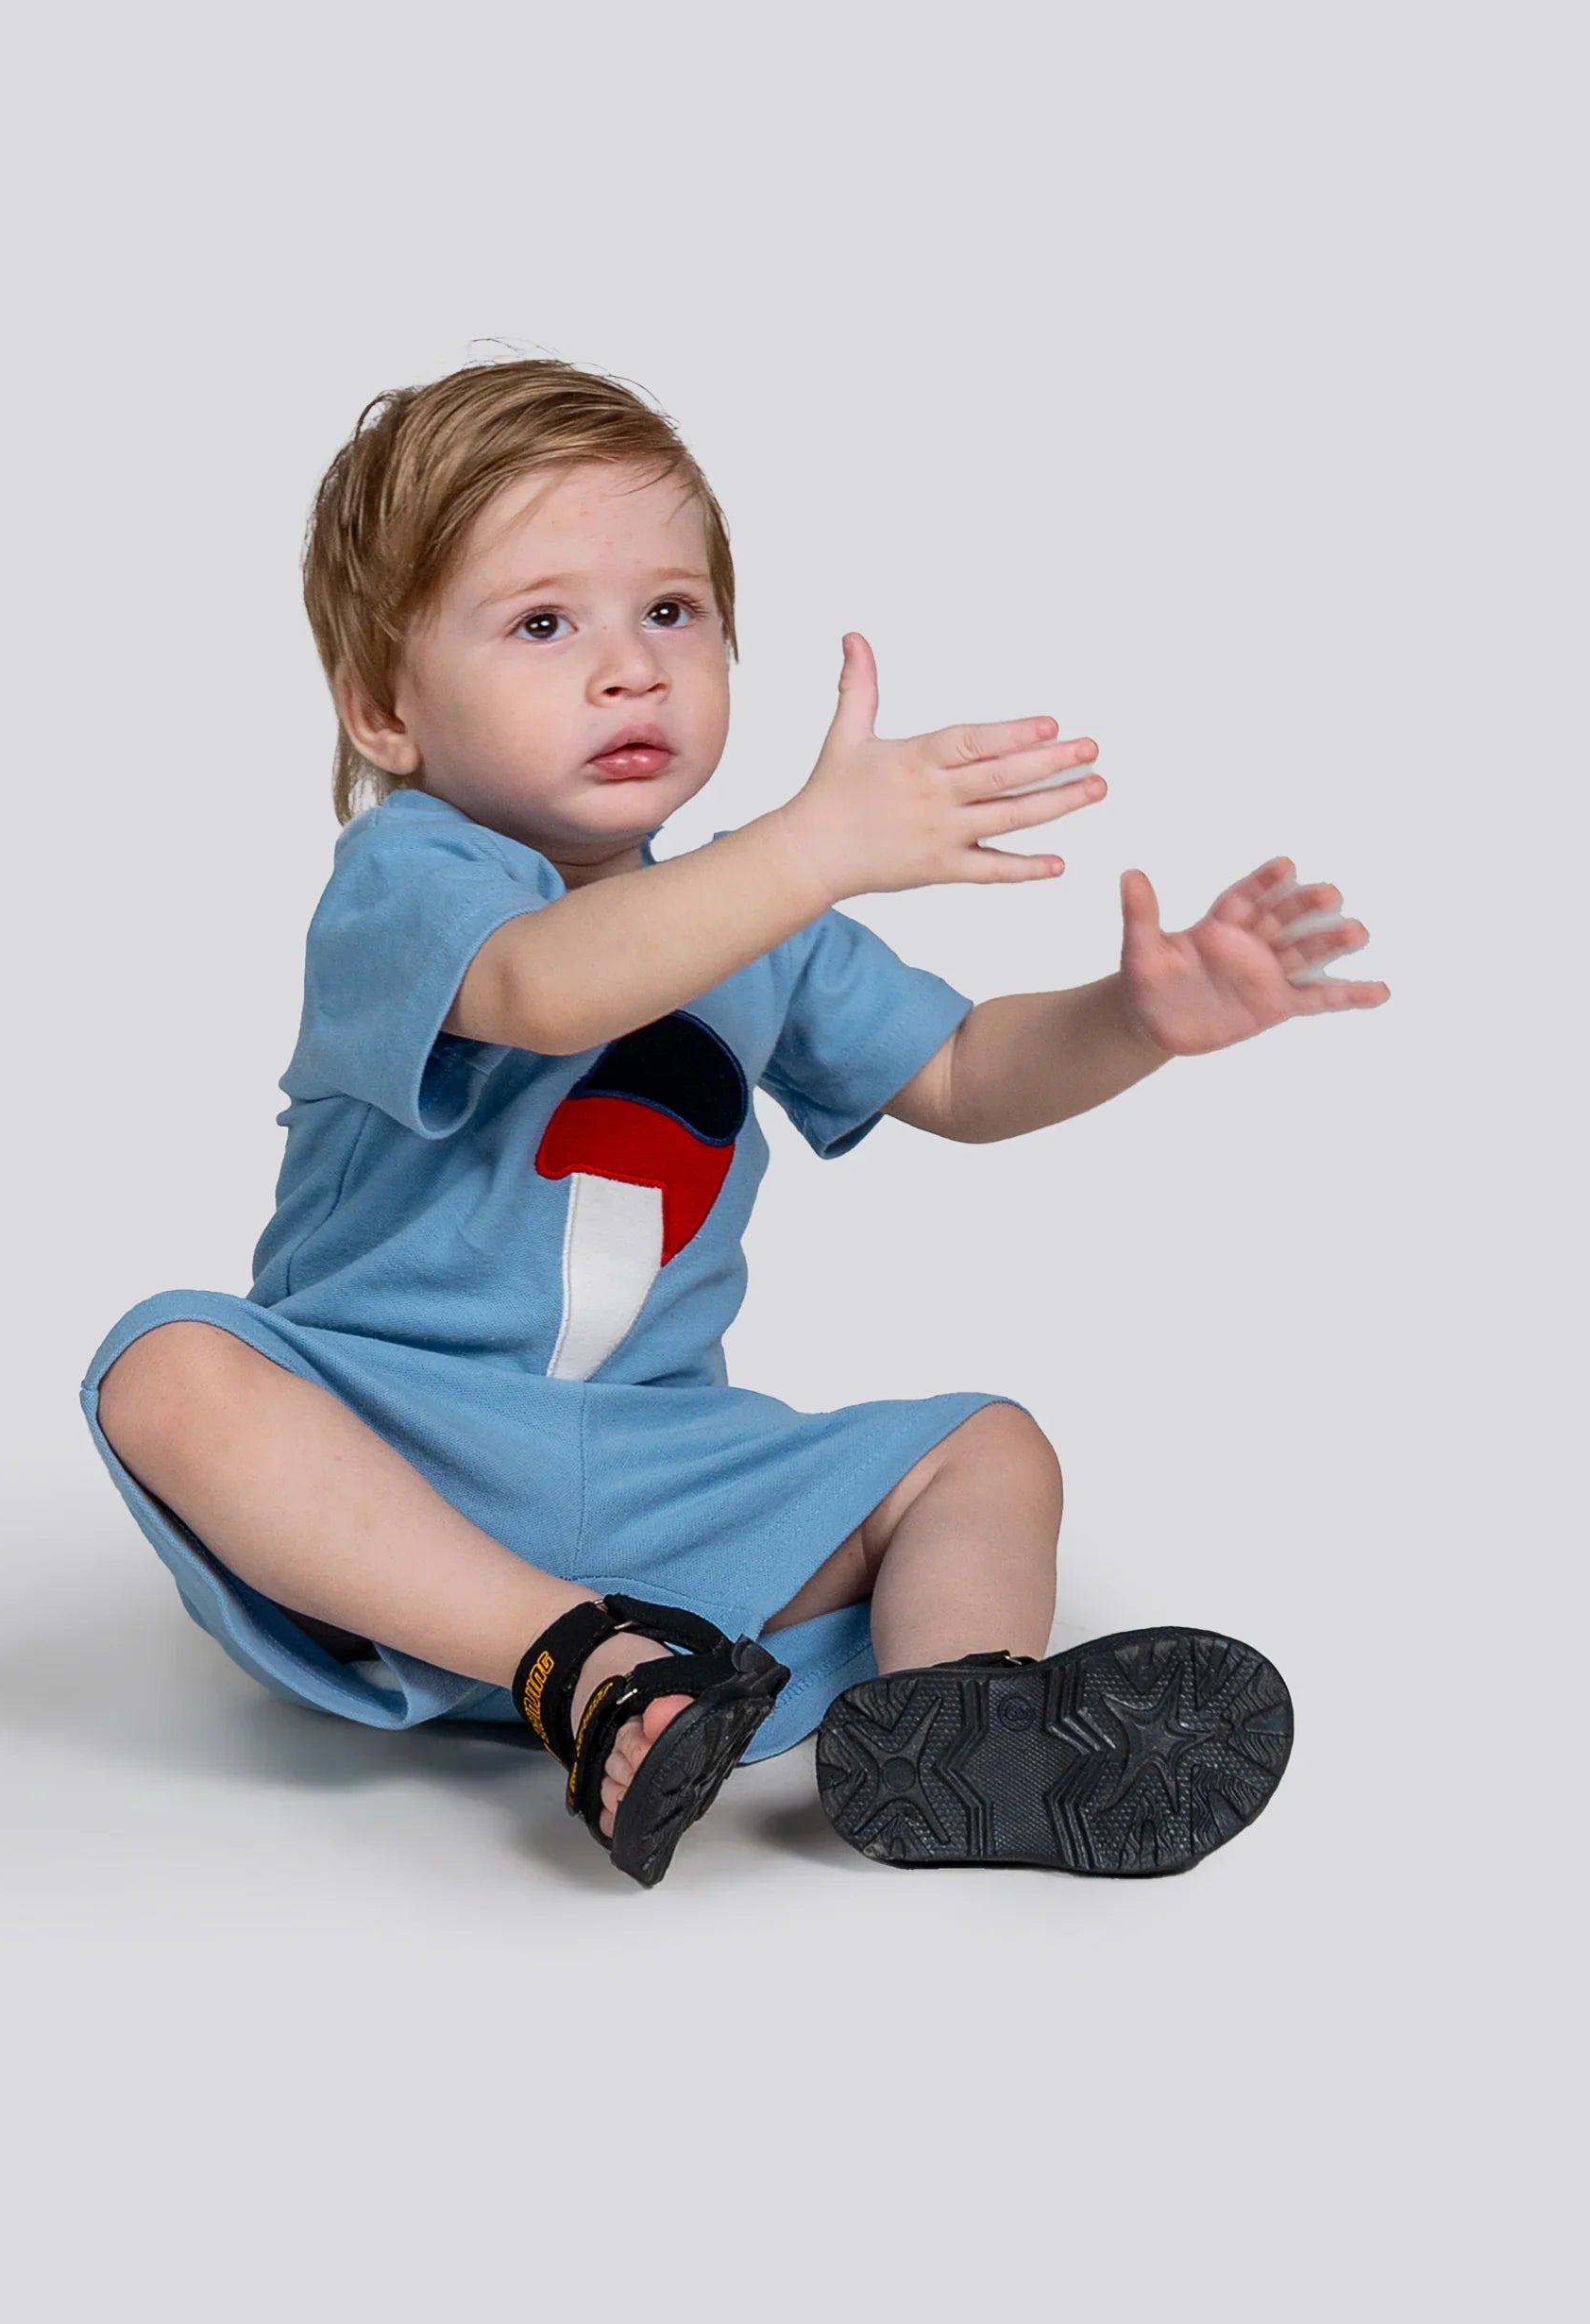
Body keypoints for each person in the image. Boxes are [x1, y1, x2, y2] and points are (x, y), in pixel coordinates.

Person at [80, 356, 1388, 1889]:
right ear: (386, 708)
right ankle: (570, 1659)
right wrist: (813, 844)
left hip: (661, 1468)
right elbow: (549, 988)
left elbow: (963, 1072)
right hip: (389, 1459)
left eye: (673, 614)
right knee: (168, 1366)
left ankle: (960, 1729)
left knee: (984, 1451)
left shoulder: (759, 912)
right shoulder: (413, 876)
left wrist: (1135, 1022)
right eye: (543, 622)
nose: (630, 669)